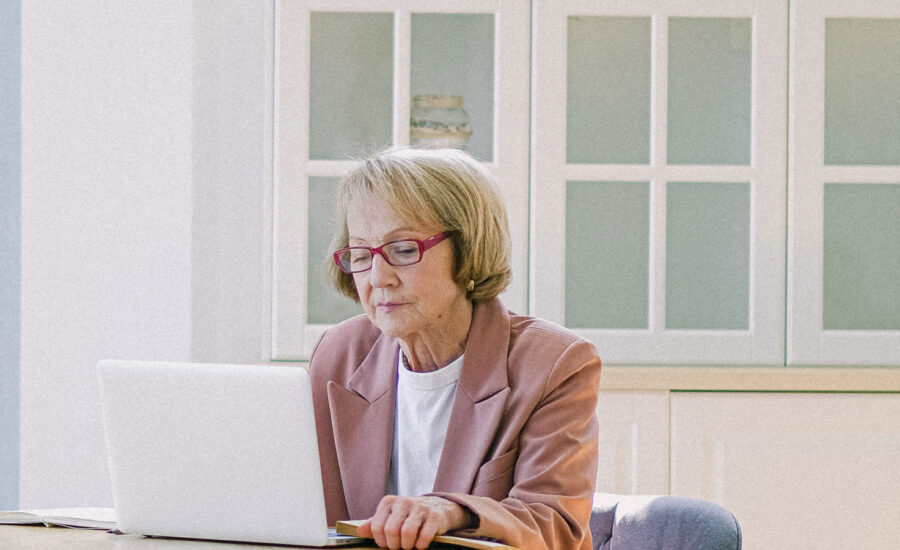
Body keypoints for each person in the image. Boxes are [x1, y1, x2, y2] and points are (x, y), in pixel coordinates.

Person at [309, 147, 601, 550]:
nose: (378, 278)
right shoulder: (338, 355)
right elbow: (304, 511)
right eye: (361, 255)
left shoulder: (554, 363)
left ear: (468, 249)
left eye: (404, 250)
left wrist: (453, 510)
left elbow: (554, 524)